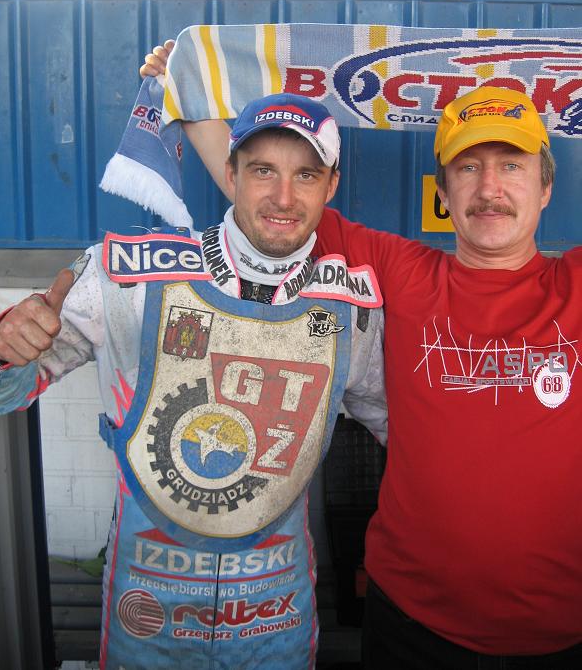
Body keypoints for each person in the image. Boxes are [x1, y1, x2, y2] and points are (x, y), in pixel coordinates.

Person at [143, 41, 582, 669]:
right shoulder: (403, 273)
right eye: (467, 168)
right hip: (409, 621)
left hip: (563, 629)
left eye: (511, 165)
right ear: (443, 190)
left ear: (545, 188)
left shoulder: (576, 285)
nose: (489, 188)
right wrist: (188, 85)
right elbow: (271, 203)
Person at [0, 91, 387, 670]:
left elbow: (402, 431)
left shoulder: (350, 307)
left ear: (330, 186)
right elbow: (8, 391)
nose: (284, 197)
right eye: (263, 170)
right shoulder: (128, 277)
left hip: (276, 623)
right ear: (230, 174)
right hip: (145, 617)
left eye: (305, 174)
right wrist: (6, 348)